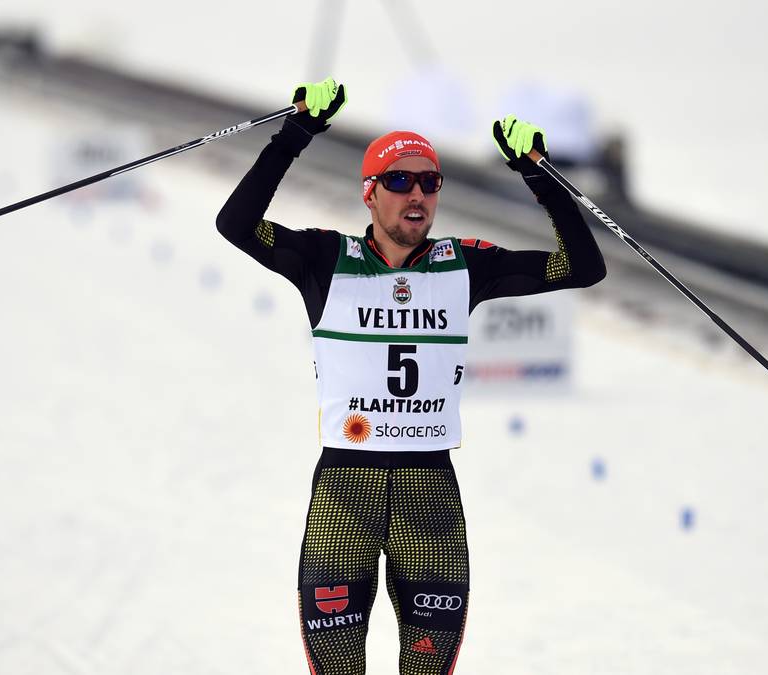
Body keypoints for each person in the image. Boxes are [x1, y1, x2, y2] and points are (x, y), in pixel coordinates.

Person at [216, 77, 606, 675]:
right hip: (345, 494)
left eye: (430, 182)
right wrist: (296, 132)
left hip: (429, 496)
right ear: (370, 194)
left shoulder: (465, 264)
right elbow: (236, 224)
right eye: (399, 181)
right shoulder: (325, 259)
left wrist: (538, 173)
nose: (416, 193)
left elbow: (582, 267)